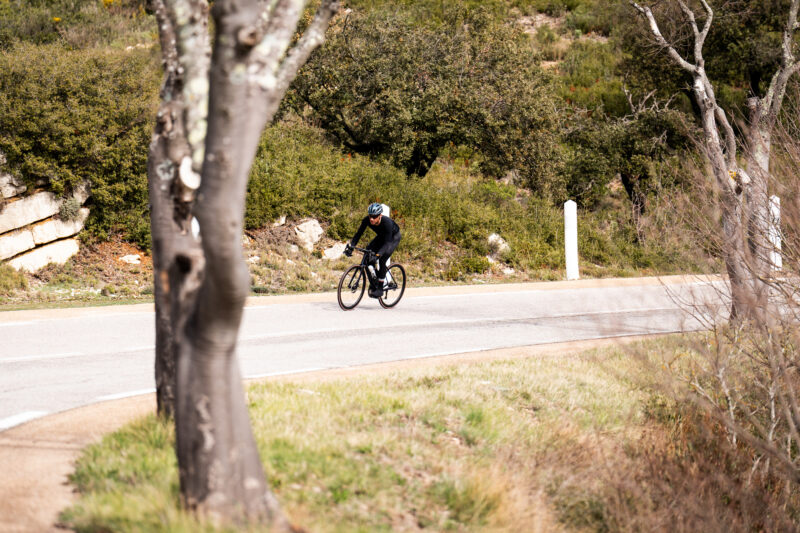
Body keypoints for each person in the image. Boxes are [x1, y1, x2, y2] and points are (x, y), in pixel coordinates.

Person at [344, 202, 402, 298]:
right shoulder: (367, 220)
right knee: (367, 255)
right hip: (381, 236)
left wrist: (378, 255)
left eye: (374, 217)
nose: (371, 219)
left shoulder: (386, 223)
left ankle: (380, 287)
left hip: (393, 238)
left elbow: (387, 243)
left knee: (382, 259)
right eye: (370, 216)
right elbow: (358, 234)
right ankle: (374, 280)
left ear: (380, 216)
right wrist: (351, 246)